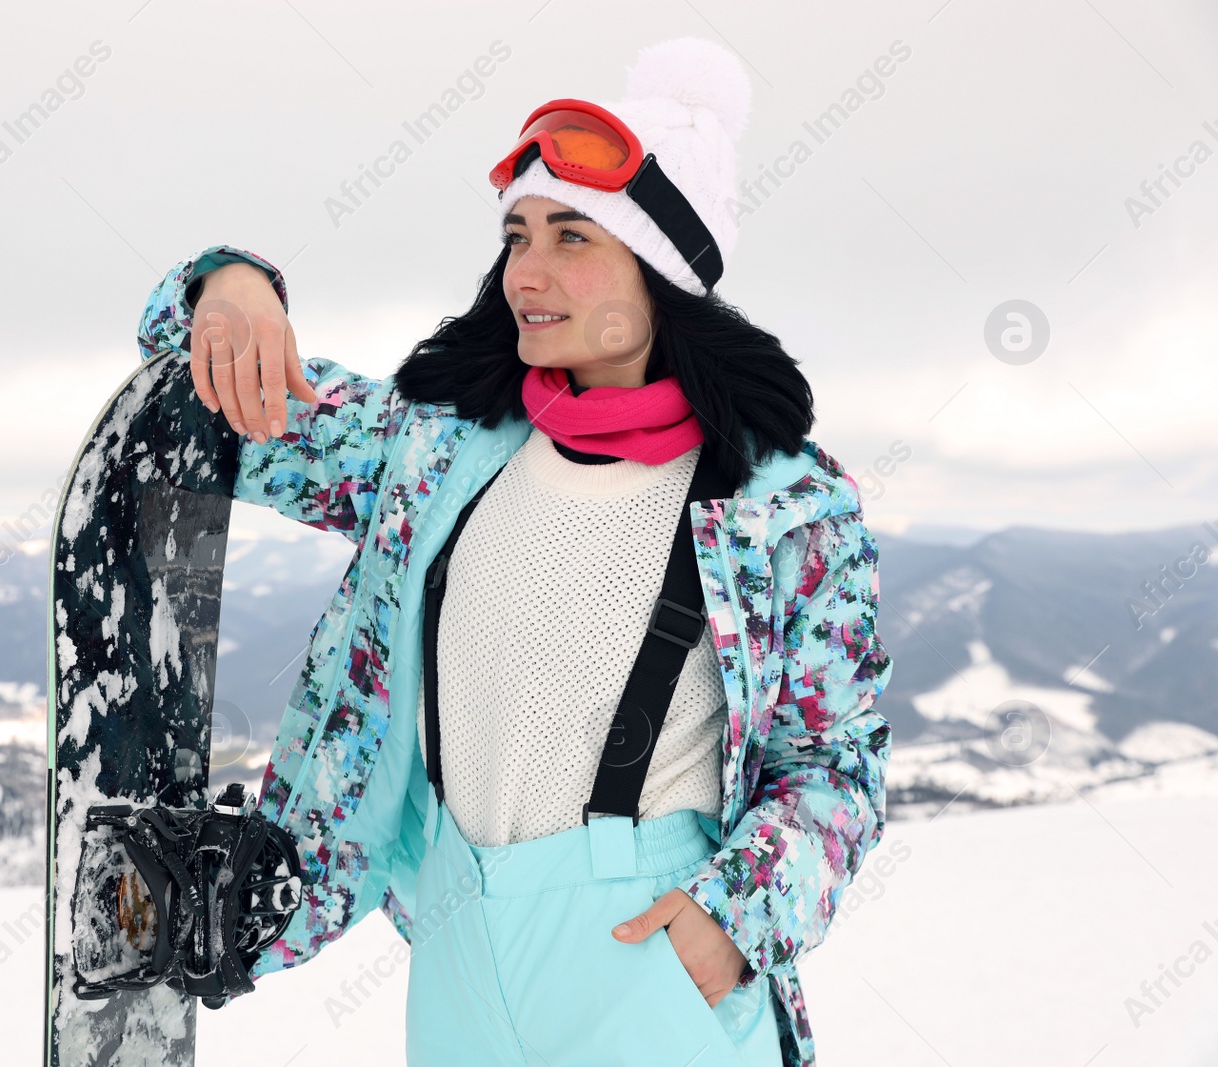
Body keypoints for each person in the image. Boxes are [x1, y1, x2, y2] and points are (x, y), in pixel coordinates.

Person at [135, 36, 893, 1067]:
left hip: (652, 942)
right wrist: (229, 287)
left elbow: (833, 765)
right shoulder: (434, 447)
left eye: (572, 237)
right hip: (456, 942)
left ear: (662, 269)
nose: (525, 272)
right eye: (517, 234)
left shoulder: (785, 508)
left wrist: (730, 924)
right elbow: (212, 394)